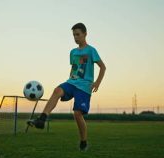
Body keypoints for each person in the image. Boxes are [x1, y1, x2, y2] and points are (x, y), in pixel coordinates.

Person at [27, 23, 106, 151]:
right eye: (74, 35)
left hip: (84, 87)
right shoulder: (73, 52)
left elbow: (103, 67)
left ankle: (83, 141)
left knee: (77, 114)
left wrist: (97, 82)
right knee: (57, 90)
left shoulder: (91, 50)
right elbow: (74, 67)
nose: (75, 37)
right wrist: (70, 78)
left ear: (85, 34)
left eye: (78, 34)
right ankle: (42, 119)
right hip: (71, 82)